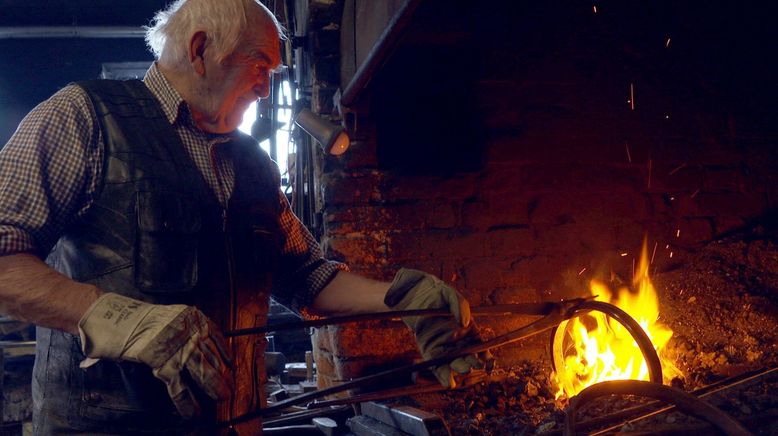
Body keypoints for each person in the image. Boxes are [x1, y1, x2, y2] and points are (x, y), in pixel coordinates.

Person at [0, 0, 483, 434]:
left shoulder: (254, 164)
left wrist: (403, 299)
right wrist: (117, 319)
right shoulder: (83, 117)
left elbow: (306, 277)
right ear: (201, 49)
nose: (268, 86)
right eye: (261, 63)